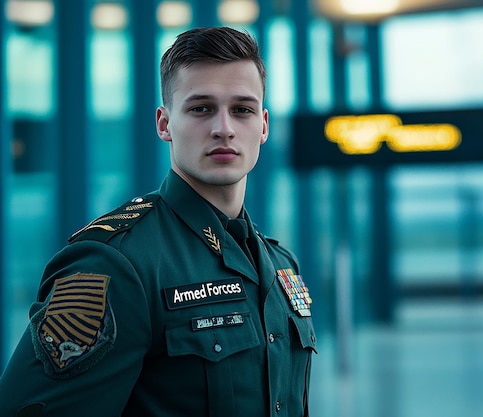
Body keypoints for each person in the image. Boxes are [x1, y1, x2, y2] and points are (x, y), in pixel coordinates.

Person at [0, 26, 316, 417]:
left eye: (242, 110)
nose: (224, 128)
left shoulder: (280, 265)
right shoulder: (114, 262)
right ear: (164, 124)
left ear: (264, 125)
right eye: (201, 108)